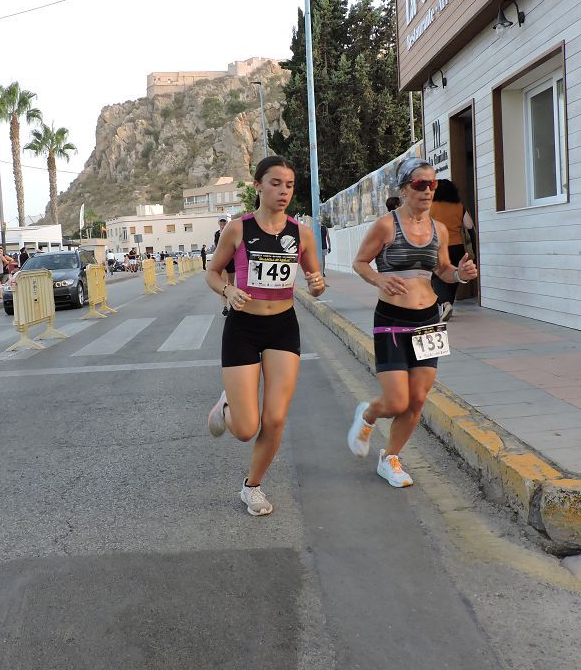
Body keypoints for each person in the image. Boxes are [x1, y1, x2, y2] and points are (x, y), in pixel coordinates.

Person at [346, 157, 478, 488]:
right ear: (405, 189)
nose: (428, 191)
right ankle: (368, 415)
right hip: (391, 318)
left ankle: (390, 457)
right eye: (420, 184)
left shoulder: (439, 229)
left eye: (432, 184)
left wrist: (459, 275)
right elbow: (360, 263)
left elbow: (443, 270)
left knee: (418, 399)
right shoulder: (386, 226)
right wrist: (378, 280)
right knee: (396, 402)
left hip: (428, 319)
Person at [205, 156, 326, 516]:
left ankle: (252, 487)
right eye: (275, 183)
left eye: (289, 185)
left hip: (282, 328)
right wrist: (227, 291)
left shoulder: (301, 233)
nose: (283, 191)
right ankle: (229, 405)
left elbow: (315, 280)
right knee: (245, 429)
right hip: (243, 327)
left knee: (275, 419)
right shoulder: (238, 230)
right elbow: (213, 273)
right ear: (258, 186)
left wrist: (317, 285)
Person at [429, 179, 475, 321]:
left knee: (437, 277)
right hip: (457, 247)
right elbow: (469, 225)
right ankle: (448, 305)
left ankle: (445, 303)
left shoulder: (430, 206)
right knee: (455, 275)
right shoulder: (459, 206)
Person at [213, 216, 236, 316]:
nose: (222, 223)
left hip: (231, 260)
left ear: (227, 222)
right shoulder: (217, 234)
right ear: (218, 222)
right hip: (222, 261)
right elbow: (216, 246)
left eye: (224, 221)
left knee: (231, 283)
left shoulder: (232, 232)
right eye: (221, 221)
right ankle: (225, 307)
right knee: (223, 284)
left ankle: (232, 306)